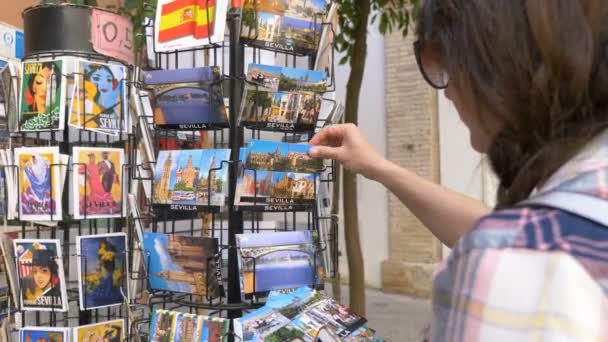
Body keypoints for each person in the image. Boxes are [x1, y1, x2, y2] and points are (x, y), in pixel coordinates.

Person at [309, 0, 608, 340]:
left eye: (442, 63)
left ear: (493, 61)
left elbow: (508, 245)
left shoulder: (514, 267)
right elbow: (497, 228)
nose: (448, 91)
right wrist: (378, 166)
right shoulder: (578, 200)